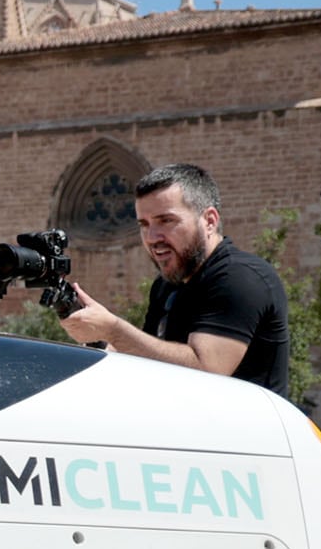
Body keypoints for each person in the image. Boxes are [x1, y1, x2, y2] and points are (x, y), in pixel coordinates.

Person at [63, 164, 292, 393]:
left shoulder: (240, 277)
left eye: (166, 221)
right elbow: (151, 361)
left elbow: (205, 371)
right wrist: (99, 339)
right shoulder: (166, 285)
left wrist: (113, 329)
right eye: (144, 225)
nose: (152, 237)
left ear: (209, 221)